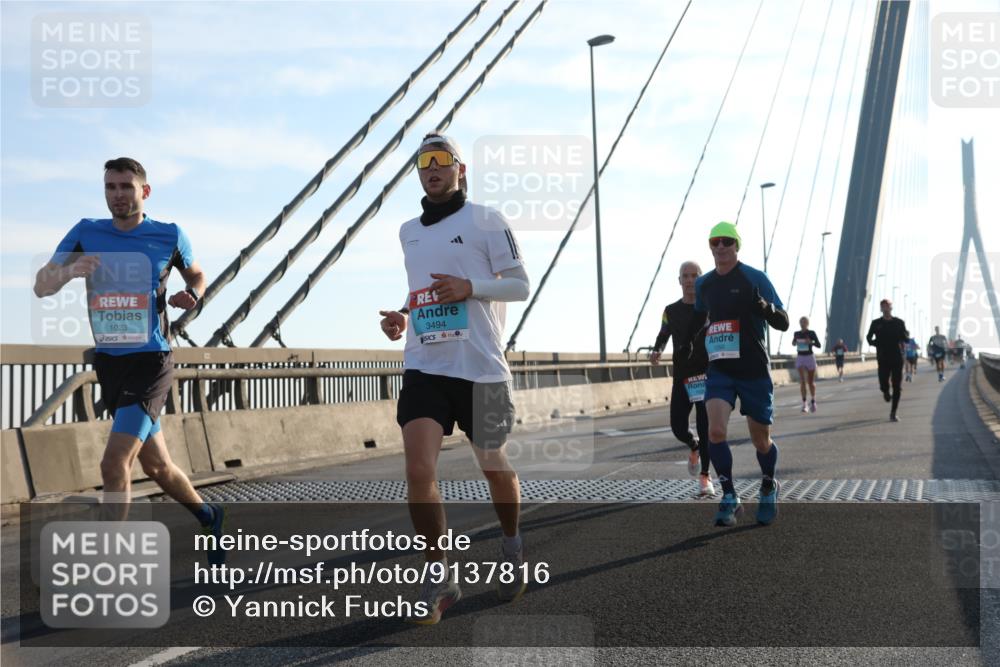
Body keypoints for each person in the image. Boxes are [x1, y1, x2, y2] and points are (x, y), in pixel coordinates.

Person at [33, 158, 226, 563]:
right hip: (110, 363)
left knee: (114, 462)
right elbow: (41, 286)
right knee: (158, 467)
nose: (117, 195)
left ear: (144, 192)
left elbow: (197, 275)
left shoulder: (169, 235)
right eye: (110, 187)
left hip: (151, 361)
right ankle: (208, 515)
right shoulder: (87, 231)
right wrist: (70, 273)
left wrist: (195, 295)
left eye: (125, 187)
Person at [378, 133, 531, 624]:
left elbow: (520, 284)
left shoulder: (487, 220)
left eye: (443, 160)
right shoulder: (408, 231)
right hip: (426, 364)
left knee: (493, 464)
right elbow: (422, 288)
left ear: (460, 169)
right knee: (419, 472)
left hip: (481, 368)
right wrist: (403, 315)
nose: (433, 168)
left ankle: (511, 546)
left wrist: (472, 288)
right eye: (424, 161)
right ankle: (441, 578)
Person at [684, 222, 789, 527]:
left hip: (753, 368)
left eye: (726, 241)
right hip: (720, 369)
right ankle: (729, 496)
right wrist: (691, 345)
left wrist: (763, 306)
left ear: (737, 245)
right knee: (715, 431)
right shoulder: (704, 284)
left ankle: (768, 483)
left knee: (761, 440)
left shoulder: (755, 278)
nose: (720, 247)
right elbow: (703, 317)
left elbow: (782, 321)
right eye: (714, 242)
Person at [651, 261, 715, 497]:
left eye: (694, 275)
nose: (689, 280)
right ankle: (693, 445)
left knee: (705, 426)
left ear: (701, 279)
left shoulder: (709, 308)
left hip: (705, 375)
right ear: (679, 281)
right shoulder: (671, 310)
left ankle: (705, 478)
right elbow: (663, 333)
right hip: (682, 376)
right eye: (685, 276)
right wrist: (657, 350)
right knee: (678, 427)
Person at [865, 299, 908, 422]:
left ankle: (893, 413)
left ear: (891, 308)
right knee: (883, 383)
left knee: (897, 386)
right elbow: (868, 337)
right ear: (881, 309)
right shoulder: (876, 323)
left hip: (897, 357)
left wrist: (905, 337)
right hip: (882, 357)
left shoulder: (899, 322)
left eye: (887, 306)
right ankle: (885, 391)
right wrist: (875, 343)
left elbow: (905, 338)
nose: (885, 308)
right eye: (883, 306)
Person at [791, 317, 821, 412]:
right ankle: (804, 404)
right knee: (803, 381)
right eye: (801, 322)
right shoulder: (797, 333)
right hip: (800, 357)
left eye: (804, 322)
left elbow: (819, 345)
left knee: (810, 382)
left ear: (807, 323)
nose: (802, 323)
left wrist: (811, 342)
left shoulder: (811, 333)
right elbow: (793, 343)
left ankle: (813, 401)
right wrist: (794, 342)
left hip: (809, 357)